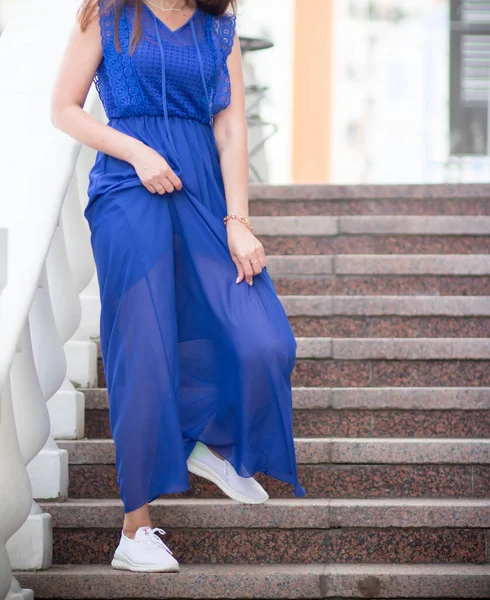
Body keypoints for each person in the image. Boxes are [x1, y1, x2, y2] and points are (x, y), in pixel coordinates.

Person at [51, 0, 305, 573]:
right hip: (126, 184)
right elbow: (65, 109)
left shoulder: (219, 26)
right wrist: (137, 152)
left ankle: (206, 442)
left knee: (264, 337)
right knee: (143, 342)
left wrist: (238, 223)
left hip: (201, 188)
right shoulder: (109, 14)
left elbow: (232, 123)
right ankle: (134, 530)